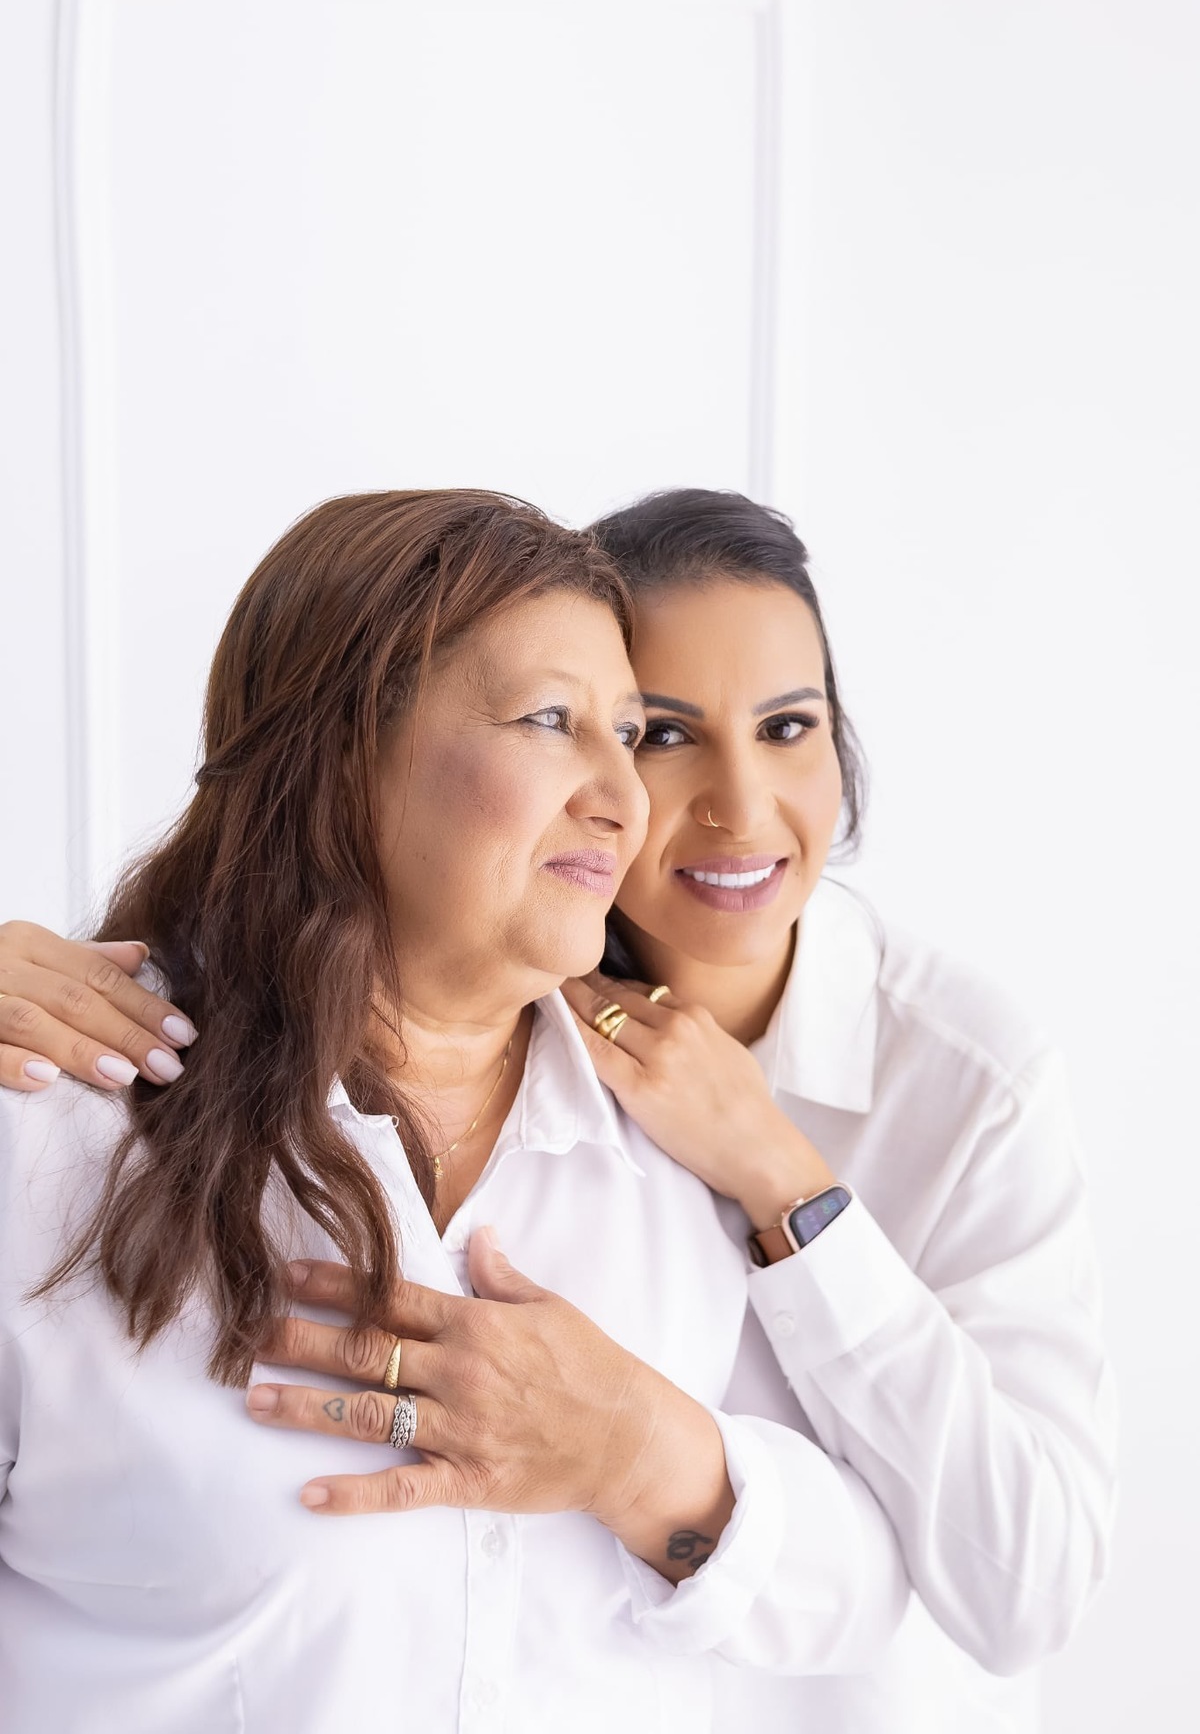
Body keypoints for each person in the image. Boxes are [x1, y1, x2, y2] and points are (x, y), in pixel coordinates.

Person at [0, 488, 1115, 1733]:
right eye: (629, 730)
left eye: (786, 726)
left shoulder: (764, 1125)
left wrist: (669, 1399)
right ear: (341, 752)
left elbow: (969, 1588)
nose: (656, 799)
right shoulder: (58, 1121)